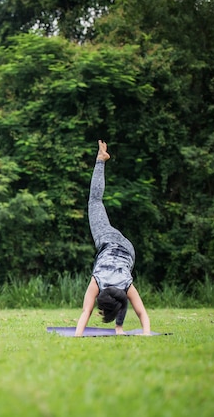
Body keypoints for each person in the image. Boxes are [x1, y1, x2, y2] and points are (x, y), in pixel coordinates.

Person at [75, 140, 150, 336]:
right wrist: (147, 334)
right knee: (95, 201)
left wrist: (77, 337)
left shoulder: (125, 283)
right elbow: (86, 311)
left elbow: (141, 312)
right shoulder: (97, 281)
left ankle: (119, 327)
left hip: (127, 250)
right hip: (108, 240)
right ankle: (101, 160)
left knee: (95, 201)